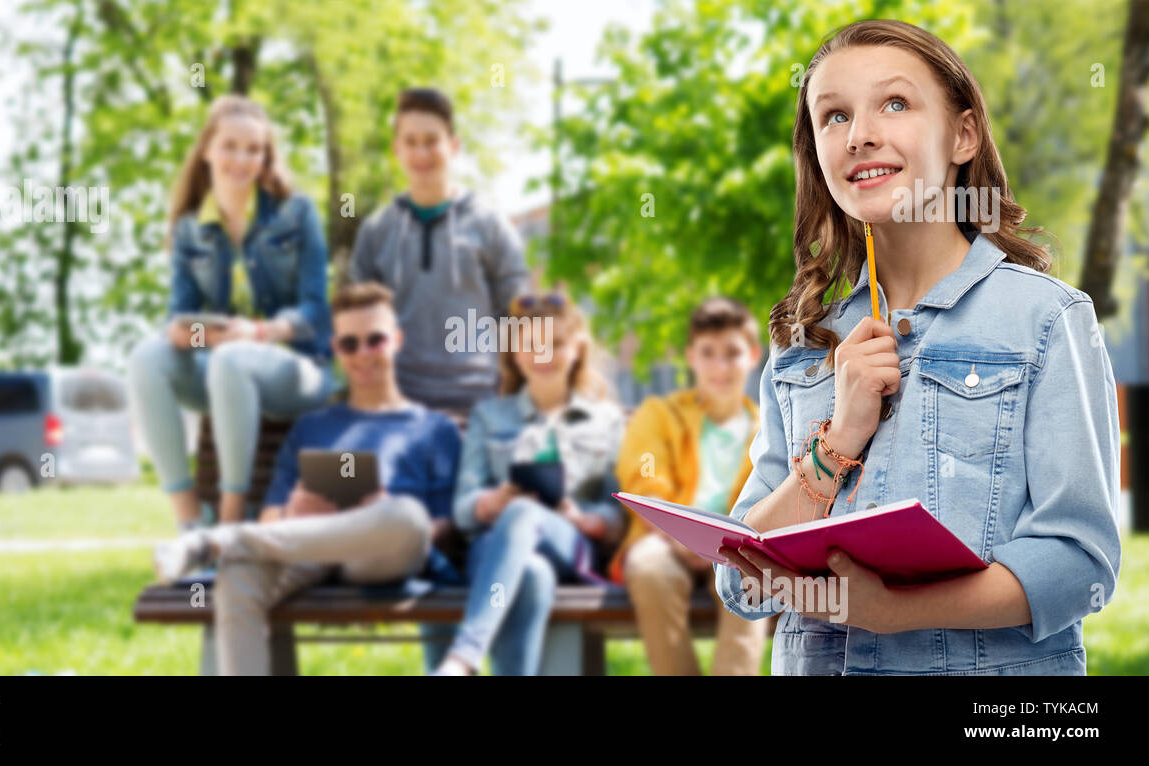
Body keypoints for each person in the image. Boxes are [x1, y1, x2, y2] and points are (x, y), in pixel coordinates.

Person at [714, 19, 1120, 675]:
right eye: (834, 116)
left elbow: (1080, 562)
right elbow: (742, 582)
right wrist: (839, 440)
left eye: (895, 104)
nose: (860, 134)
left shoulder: (1048, 319)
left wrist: (896, 611)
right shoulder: (800, 343)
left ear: (962, 135)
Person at [152, 282, 462, 676]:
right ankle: (224, 545)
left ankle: (219, 540)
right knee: (238, 575)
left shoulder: (433, 428)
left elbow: (442, 525)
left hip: (382, 552)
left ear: (397, 340)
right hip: (307, 550)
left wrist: (376, 514)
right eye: (350, 345)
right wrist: (292, 513)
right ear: (335, 350)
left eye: (375, 341)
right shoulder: (311, 427)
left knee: (408, 516)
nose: (363, 354)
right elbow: (271, 521)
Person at [128, 95, 333, 528]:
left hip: (300, 370)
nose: (242, 159)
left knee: (231, 357)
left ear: (265, 157)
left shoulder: (297, 214)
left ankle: (230, 518)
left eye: (254, 150)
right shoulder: (189, 227)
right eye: (230, 146)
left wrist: (258, 333)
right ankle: (191, 520)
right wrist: (195, 336)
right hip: (227, 368)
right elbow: (178, 318)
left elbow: (316, 312)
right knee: (148, 356)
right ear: (206, 150)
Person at [433, 292, 626, 675]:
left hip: (571, 545)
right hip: (492, 550)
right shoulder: (489, 416)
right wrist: (492, 501)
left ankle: (463, 658)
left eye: (555, 343)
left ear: (576, 350)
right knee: (532, 574)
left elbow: (619, 508)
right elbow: (463, 507)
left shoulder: (605, 420)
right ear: (515, 354)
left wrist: (588, 520)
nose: (544, 354)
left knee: (525, 512)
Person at [348, 87, 530, 420]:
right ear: (396, 150)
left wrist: (515, 403)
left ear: (453, 146)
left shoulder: (491, 226)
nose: (421, 153)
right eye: (411, 142)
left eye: (431, 141)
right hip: (396, 403)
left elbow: (520, 319)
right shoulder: (376, 232)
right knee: (339, 471)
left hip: (478, 403)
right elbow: (355, 327)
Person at [613, 296, 769, 675]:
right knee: (649, 567)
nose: (720, 367)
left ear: (751, 355)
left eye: (731, 353)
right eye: (708, 353)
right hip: (668, 541)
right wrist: (684, 539)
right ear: (691, 357)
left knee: (755, 577)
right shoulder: (659, 416)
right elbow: (644, 483)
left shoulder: (768, 430)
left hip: (739, 549)